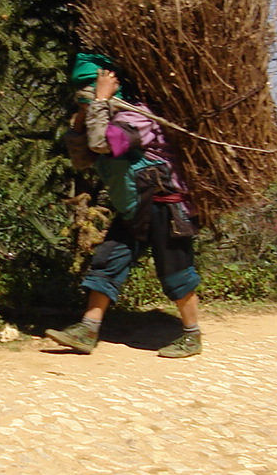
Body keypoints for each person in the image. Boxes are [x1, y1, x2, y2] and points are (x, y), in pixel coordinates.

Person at [45, 52, 203, 358]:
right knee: (108, 261)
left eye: (93, 87)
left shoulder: (138, 115)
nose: (88, 94)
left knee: (175, 270)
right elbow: (81, 158)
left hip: (162, 203)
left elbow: (104, 144)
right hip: (133, 205)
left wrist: (101, 102)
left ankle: (192, 336)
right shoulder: (100, 116)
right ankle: (88, 329)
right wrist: (83, 117)